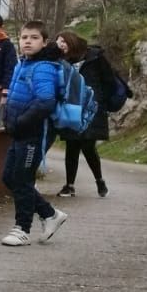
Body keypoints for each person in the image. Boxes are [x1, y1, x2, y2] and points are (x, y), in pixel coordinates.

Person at [0, 21, 71, 246]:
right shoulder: (24, 64)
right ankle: (49, 214)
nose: (28, 41)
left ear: (44, 42)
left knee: (22, 179)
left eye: (34, 37)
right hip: (20, 132)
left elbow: (45, 101)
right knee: (9, 177)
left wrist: (20, 122)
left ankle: (22, 229)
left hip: (33, 133)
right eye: (24, 37)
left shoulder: (43, 67)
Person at [55, 30, 115, 198]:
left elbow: (109, 80)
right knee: (72, 146)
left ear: (72, 42)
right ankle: (69, 185)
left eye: (63, 41)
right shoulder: (61, 61)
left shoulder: (95, 57)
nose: (60, 45)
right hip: (71, 107)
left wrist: (100, 100)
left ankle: (100, 180)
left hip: (92, 107)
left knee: (88, 146)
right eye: (58, 42)